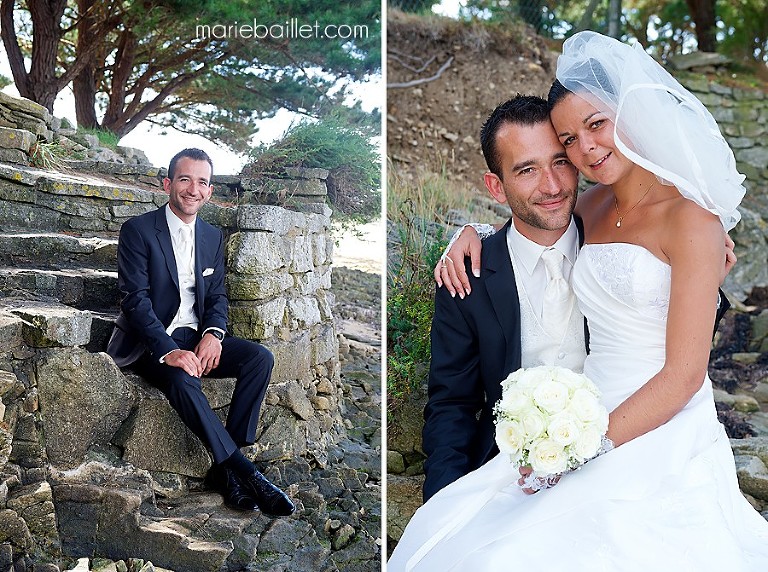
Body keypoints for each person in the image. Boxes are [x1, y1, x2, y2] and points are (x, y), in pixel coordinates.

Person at [389, 31, 768, 570]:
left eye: (595, 126)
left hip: (655, 423)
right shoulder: (587, 208)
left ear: (631, 113)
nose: (582, 152)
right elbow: (537, 218)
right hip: (563, 423)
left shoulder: (688, 219)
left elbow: (683, 366)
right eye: (569, 139)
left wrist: (583, 449)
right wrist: (468, 232)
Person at [107, 148, 295, 517]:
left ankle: (226, 467)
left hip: (195, 335)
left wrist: (213, 333)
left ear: (210, 192)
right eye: (185, 179)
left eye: (202, 182)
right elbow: (135, 301)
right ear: (168, 184)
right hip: (149, 343)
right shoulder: (138, 230)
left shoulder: (211, 236)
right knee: (182, 380)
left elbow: (218, 296)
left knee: (260, 358)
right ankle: (246, 473)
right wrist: (168, 350)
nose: (193, 189)